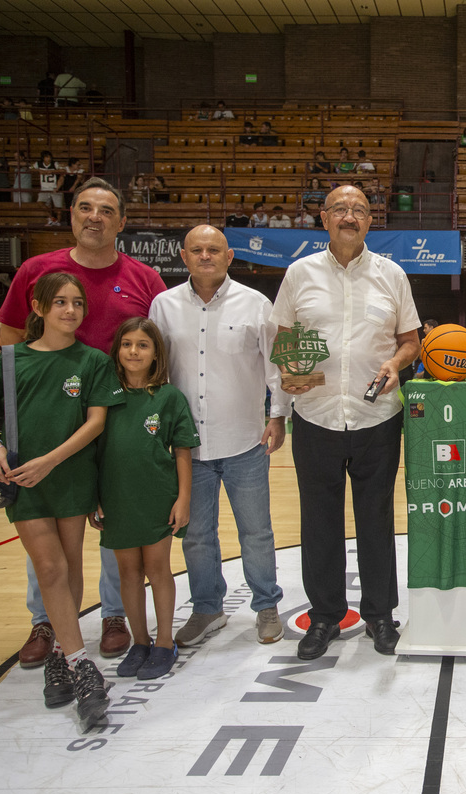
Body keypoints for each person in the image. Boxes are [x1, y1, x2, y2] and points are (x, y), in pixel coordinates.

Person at [0, 177, 167, 669]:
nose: (96, 217)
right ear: (71, 214)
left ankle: (113, 614)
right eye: (86, 208)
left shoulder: (144, 278)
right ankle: (46, 621)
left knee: (119, 515)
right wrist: (5, 433)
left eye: (107, 210)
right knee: (46, 524)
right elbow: (10, 348)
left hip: (118, 419)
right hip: (50, 422)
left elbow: (158, 344)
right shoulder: (36, 270)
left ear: (122, 221)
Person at [271, 185, 420, 661]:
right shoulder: (299, 274)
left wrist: (397, 363)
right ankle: (325, 616)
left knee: (376, 518)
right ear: (324, 217)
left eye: (358, 210)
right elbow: (282, 340)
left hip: (377, 415)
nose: (350, 216)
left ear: (370, 220)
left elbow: (411, 340)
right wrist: (287, 376)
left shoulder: (392, 274)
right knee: (318, 522)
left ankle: (380, 614)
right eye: (340, 209)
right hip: (315, 416)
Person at [0, 272, 125, 730]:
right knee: (49, 568)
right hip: (25, 479)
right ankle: (83, 666)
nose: (70, 311)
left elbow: (96, 422)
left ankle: (61, 654)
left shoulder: (92, 361)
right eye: (59, 302)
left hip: (71, 475)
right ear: (38, 308)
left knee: (71, 566)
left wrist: (52, 460)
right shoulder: (11, 359)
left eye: (77, 303)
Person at [149, 225, 288, 647]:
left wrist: (278, 415)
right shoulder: (163, 306)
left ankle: (266, 606)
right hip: (186, 447)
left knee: (257, 532)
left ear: (229, 257)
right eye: (197, 250)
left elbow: (275, 364)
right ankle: (207, 609)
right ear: (183, 256)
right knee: (196, 534)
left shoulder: (256, 303)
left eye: (214, 249)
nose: (205, 255)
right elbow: (156, 370)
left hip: (245, 440)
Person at [92, 317, 199, 681]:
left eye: (142, 345)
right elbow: (92, 449)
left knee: (157, 568)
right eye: (127, 344)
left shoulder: (168, 397)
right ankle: (140, 641)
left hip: (157, 496)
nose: (133, 351)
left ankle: (165, 642)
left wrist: (183, 497)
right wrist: (95, 496)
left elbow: (183, 450)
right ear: (117, 350)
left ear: (156, 354)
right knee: (127, 572)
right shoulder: (104, 395)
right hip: (116, 498)